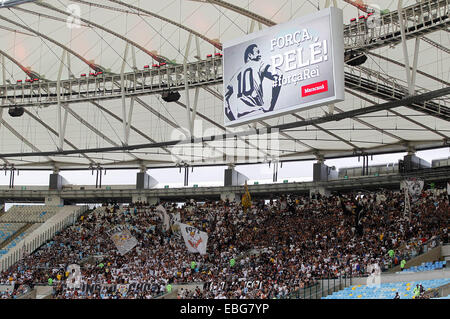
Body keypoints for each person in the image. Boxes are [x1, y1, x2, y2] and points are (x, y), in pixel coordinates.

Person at [224, 44, 282, 121]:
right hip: (258, 112)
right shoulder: (258, 64)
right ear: (250, 55)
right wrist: (271, 106)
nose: (260, 55)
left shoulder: (237, 73)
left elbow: (225, 98)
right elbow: (278, 73)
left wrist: (231, 118)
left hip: (241, 116)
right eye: (257, 52)